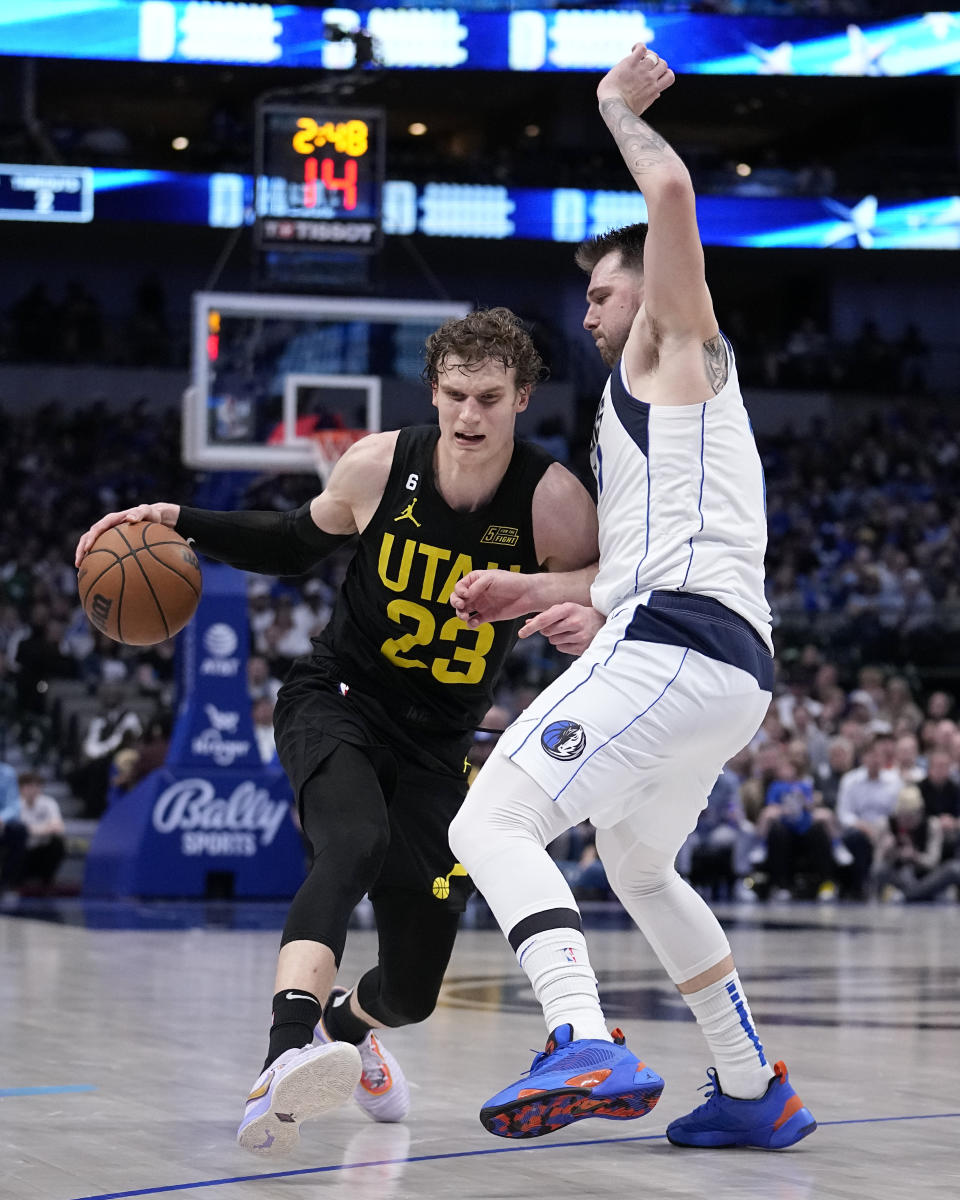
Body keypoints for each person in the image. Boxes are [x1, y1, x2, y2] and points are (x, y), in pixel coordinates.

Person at [75, 307, 598, 1157]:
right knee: (350, 841)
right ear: (434, 391)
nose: (469, 416)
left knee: (415, 987)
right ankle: (281, 1058)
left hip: (440, 746)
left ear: (523, 397)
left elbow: (601, 577)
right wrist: (180, 516)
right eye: (456, 395)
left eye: (490, 398)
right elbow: (291, 545)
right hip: (338, 698)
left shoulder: (552, 498)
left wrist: (574, 605)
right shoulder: (379, 463)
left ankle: (349, 1035)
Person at [449, 46, 815, 1150]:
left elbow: (668, 196)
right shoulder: (630, 412)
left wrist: (612, 107)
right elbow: (637, 566)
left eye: (601, 289)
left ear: (644, 288)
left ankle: (579, 1035)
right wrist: (546, 590)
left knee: (492, 817)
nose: (592, 310)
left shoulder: (670, 345)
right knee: (639, 863)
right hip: (721, 664)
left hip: (681, 649)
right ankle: (755, 1086)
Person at [16, 771, 66, 893]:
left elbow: (58, 827)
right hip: (22, 852)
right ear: (21, 788)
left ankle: (47, 880)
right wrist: (44, 828)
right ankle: (14, 881)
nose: (33, 790)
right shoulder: (14, 805)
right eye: (29, 786)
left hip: (42, 850)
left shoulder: (49, 803)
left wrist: (30, 830)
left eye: (37, 786)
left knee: (58, 842)